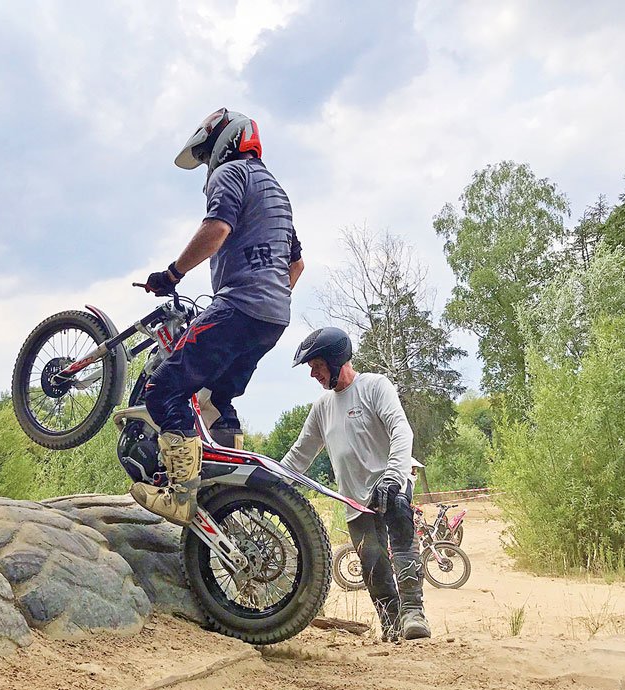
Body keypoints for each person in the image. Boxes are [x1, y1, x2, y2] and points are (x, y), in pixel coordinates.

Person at [131, 108, 304, 525]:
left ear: (225, 142)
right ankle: (225, 485)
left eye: (207, 154)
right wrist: (268, 296)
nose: (208, 164)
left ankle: (180, 494)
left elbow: (217, 229)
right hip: (273, 318)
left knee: (162, 390)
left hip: (237, 307)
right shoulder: (276, 191)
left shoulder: (230, 173)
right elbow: (296, 264)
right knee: (216, 398)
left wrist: (172, 274)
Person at [280, 327, 431, 641]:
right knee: (372, 564)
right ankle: (392, 627)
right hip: (354, 499)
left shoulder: (374, 386)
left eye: (317, 366)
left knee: (402, 540)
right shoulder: (322, 407)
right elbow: (300, 454)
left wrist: (394, 475)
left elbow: (401, 430)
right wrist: (265, 480)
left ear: (336, 361)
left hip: (390, 483)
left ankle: (414, 614)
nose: (313, 374)